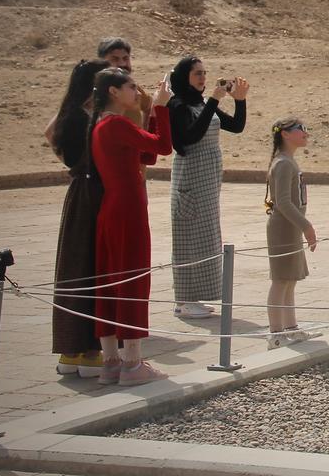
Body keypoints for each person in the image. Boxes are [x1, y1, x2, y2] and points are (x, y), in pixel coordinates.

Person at [90, 67, 173, 386]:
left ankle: (111, 359)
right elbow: (163, 147)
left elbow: (147, 153)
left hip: (112, 206)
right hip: (128, 207)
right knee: (133, 278)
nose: (135, 93)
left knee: (110, 278)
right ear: (113, 91)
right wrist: (162, 108)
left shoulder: (103, 126)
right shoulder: (116, 124)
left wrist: (151, 112)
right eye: (130, 87)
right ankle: (132, 362)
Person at [166, 56, 249, 318]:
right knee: (188, 235)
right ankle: (184, 298)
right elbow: (191, 135)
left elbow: (235, 126)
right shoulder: (178, 104)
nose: (202, 78)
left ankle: (196, 296)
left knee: (206, 235)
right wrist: (213, 100)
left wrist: (240, 99)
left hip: (208, 178)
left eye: (204, 73)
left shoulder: (200, 102)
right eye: (196, 74)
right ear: (184, 77)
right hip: (190, 178)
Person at [48, 58, 109, 377]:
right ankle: (81, 348)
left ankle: (80, 350)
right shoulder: (87, 117)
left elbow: (50, 133)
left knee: (81, 267)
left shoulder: (74, 114)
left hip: (82, 191)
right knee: (86, 267)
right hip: (92, 193)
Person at [264, 118, 319, 348]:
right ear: (285, 134)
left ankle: (291, 327)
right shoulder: (284, 163)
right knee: (281, 280)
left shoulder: (287, 161)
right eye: (300, 129)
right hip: (283, 228)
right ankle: (276, 333)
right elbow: (284, 202)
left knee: (290, 280)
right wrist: (306, 226)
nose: (305, 133)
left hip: (290, 227)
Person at [44, 37, 149, 144]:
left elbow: (148, 107)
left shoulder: (132, 88)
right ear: (102, 62)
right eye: (115, 59)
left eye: (125, 58)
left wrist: (145, 139)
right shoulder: (94, 94)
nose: (122, 64)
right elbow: (51, 132)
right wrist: (77, 159)